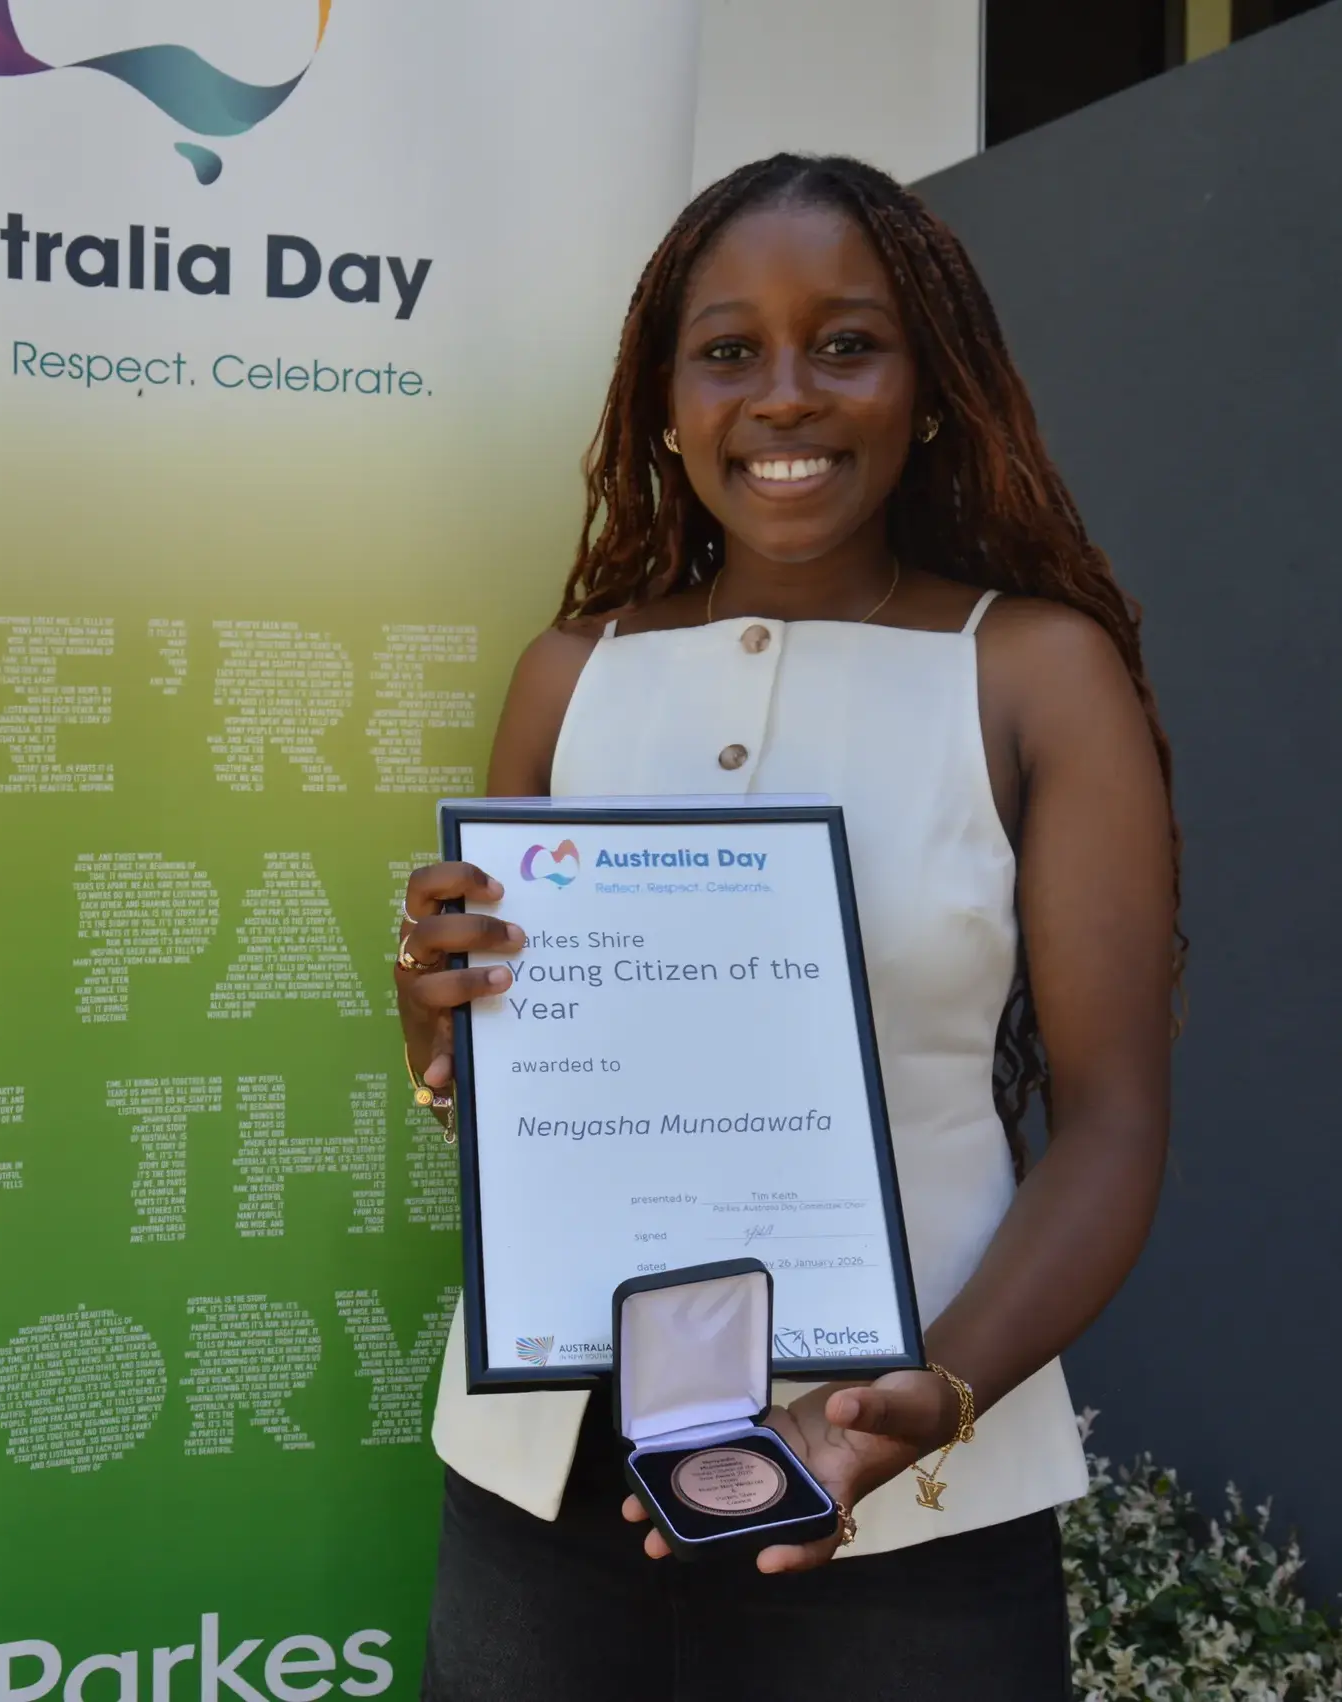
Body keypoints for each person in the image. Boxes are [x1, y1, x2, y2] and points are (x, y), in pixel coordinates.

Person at [392, 154, 1181, 1701]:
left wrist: (934, 1394)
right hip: (545, 1476)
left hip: (909, 1497)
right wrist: (439, 1027)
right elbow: (503, 1105)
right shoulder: (573, 673)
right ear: (666, 404)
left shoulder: (1032, 672)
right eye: (730, 349)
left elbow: (1113, 1123)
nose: (787, 395)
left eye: (848, 342)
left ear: (928, 384)